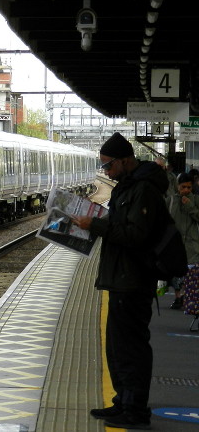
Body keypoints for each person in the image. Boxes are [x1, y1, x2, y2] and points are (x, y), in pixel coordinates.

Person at [73, 132, 169, 430]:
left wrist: (96, 224)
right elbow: (120, 227)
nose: (106, 172)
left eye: (108, 166)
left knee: (131, 348)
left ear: (125, 160)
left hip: (133, 279)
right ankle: (122, 402)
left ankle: (135, 410)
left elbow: (136, 235)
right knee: (116, 346)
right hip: (120, 278)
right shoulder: (128, 186)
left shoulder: (144, 189)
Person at [166, 173, 199, 309]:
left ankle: (187, 296)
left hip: (192, 244)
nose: (186, 190)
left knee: (190, 273)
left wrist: (190, 206)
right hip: (175, 243)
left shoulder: (196, 200)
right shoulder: (171, 200)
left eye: (189, 187)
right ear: (177, 186)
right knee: (175, 272)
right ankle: (178, 297)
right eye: (183, 187)